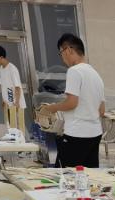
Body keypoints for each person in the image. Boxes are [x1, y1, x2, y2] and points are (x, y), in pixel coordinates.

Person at [38, 34, 105, 168]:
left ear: (68, 50)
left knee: (65, 175)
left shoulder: (74, 71)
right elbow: (102, 110)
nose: (62, 58)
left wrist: (51, 108)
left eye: (61, 53)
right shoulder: (95, 74)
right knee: (88, 175)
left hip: (76, 134)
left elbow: (72, 103)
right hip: (95, 134)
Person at [0, 45, 25, 111]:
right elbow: (3, 85)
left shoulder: (12, 69)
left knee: (16, 118)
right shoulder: (1, 68)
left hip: (16, 104)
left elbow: (17, 87)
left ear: (1, 57)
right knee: (8, 118)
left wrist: (17, 102)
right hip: (7, 104)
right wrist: (3, 100)